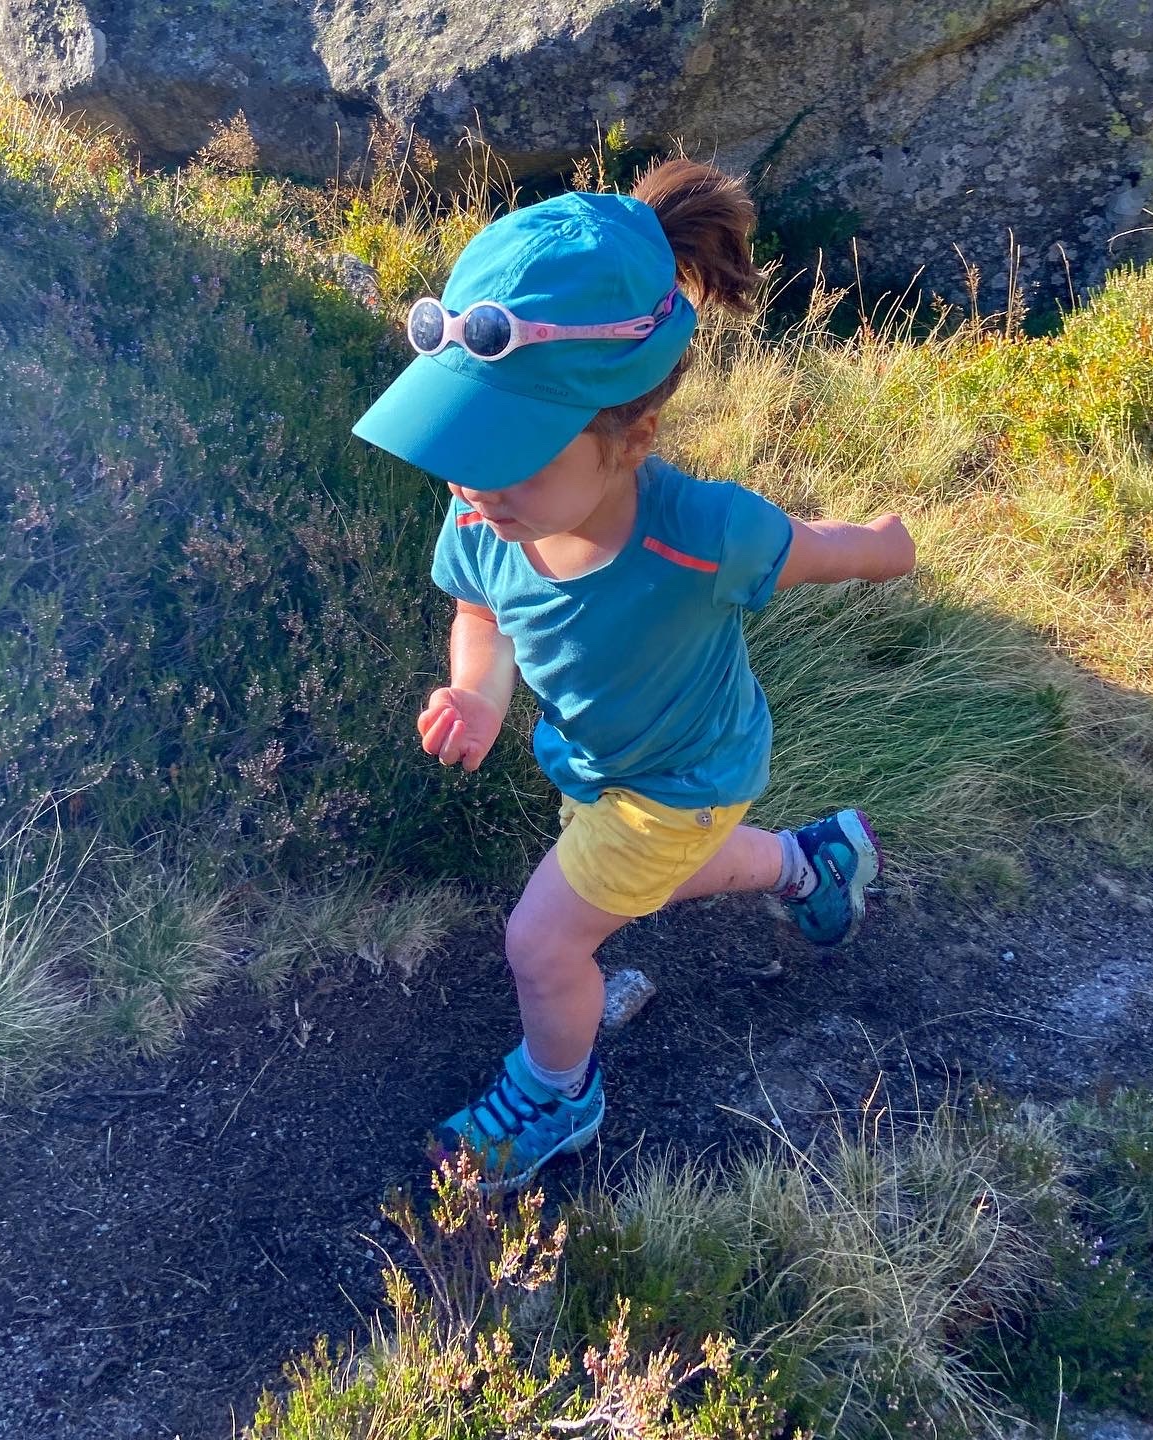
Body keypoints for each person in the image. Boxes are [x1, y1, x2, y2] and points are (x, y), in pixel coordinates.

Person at [352, 157, 916, 1190]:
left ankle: (558, 1093)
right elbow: (480, 611)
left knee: (544, 945)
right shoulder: (485, 513)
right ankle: (815, 863)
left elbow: (816, 546)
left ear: (632, 438)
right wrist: (478, 693)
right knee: (653, 879)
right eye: (461, 445)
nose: (472, 485)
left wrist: (888, 543)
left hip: (686, 775)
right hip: (606, 769)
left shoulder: (703, 534)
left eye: (511, 454)